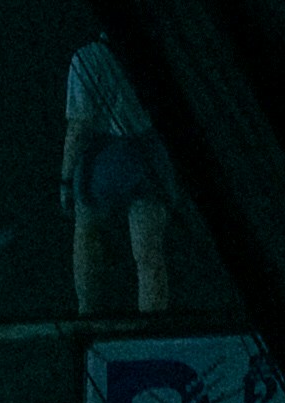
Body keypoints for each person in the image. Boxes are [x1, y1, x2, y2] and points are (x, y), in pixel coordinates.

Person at [60, 37, 178, 317]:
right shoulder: (154, 52)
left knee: (87, 235)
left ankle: (88, 318)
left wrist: (65, 179)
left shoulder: (86, 58)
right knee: (148, 255)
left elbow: (78, 126)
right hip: (146, 152)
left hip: (101, 156)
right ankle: (152, 328)